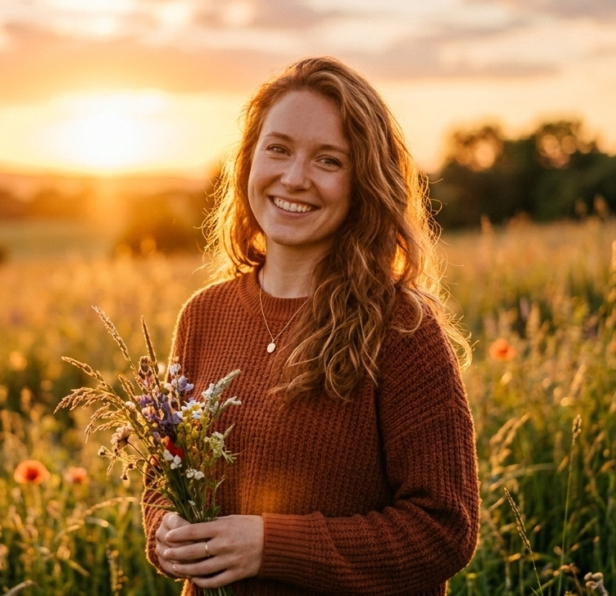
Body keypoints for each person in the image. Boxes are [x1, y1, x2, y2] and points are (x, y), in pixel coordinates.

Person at [142, 56, 480, 595]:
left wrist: (269, 546)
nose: (294, 178)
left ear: (363, 182)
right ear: (249, 160)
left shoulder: (402, 329)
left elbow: (444, 530)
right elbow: (166, 480)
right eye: (278, 149)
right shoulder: (204, 316)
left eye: (328, 160)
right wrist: (166, 532)